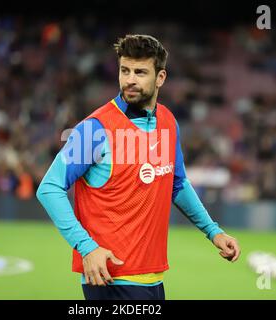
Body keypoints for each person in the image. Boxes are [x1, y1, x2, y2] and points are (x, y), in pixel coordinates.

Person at [36, 34, 241, 300]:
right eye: (125, 70)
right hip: (110, 278)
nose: (130, 79)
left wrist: (213, 232)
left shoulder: (168, 122)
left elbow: (177, 184)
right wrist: (87, 247)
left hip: (152, 279)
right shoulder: (95, 129)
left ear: (160, 78)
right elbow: (49, 188)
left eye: (140, 72)